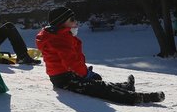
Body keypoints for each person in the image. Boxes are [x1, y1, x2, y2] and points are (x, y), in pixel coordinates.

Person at [35, 6, 165, 104]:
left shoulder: (61, 35)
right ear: (62, 23)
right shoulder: (60, 38)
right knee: (98, 87)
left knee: (96, 81)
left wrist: (85, 72)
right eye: (72, 19)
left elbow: (73, 59)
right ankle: (136, 97)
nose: (76, 22)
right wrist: (85, 74)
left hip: (66, 74)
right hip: (64, 78)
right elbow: (71, 62)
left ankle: (125, 87)